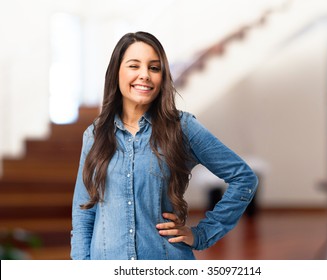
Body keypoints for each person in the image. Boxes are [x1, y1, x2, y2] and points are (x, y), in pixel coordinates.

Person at [70, 31, 258, 260]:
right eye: (134, 66)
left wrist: (202, 235)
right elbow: (83, 213)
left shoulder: (183, 128)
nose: (144, 75)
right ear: (116, 72)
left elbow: (243, 177)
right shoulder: (95, 135)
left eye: (154, 68)